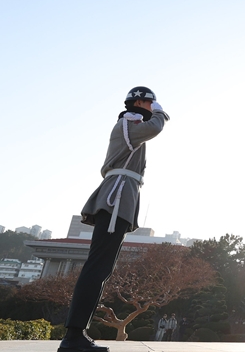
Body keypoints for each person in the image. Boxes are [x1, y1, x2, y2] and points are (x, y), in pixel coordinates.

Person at [57, 87, 170, 352]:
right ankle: (73, 336)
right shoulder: (129, 122)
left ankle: (76, 334)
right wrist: (160, 110)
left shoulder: (131, 125)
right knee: (97, 268)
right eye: (148, 103)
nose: (150, 107)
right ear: (138, 103)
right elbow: (155, 127)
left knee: (101, 269)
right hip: (116, 197)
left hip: (123, 196)